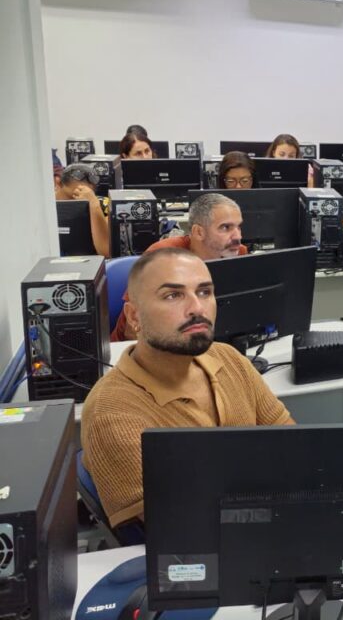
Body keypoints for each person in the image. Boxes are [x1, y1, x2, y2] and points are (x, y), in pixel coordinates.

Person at [82, 248, 294, 528]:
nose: (197, 308)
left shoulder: (227, 358)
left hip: (266, 521)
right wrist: (284, 512)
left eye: (204, 292)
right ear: (133, 317)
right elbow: (178, 525)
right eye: (173, 295)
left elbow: (291, 447)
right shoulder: (112, 411)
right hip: (208, 545)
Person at [111, 193, 248, 341]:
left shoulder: (239, 253)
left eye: (238, 227)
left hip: (206, 339)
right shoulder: (162, 256)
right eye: (226, 227)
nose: (237, 237)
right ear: (199, 232)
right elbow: (133, 327)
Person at [54, 163, 110, 257]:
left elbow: (106, 251)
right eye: (71, 197)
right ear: (58, 183)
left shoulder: (105, 206)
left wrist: (93, 204)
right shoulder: (43, 209)